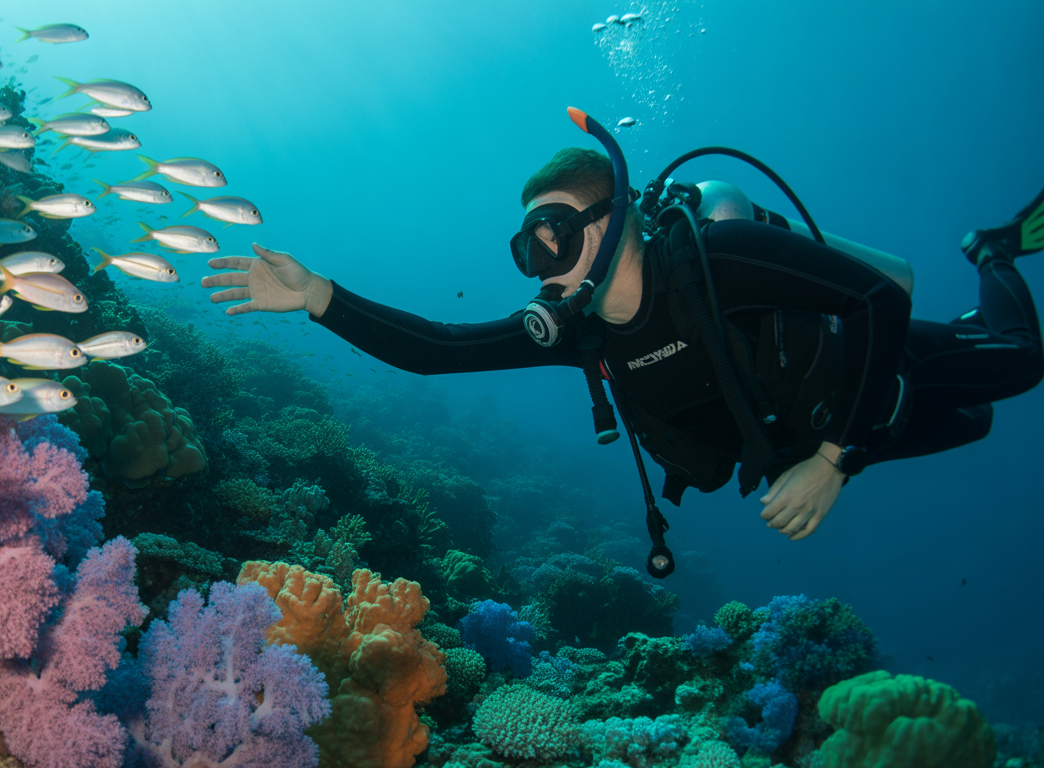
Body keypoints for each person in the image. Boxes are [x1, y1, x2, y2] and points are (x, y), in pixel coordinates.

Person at [201, 146, 1044, 551]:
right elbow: (439, 350)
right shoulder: (582, 332)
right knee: (973, 426)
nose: (545, 268)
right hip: (813, 438)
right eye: (530, 248)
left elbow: (876, 298)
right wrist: (318, 298)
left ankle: (992, 253)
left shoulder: (718, 264)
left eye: (558, 237)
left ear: (617, 221)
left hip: (864, 389)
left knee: (1019, 363)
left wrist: (833, 459)